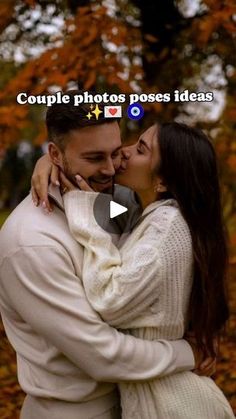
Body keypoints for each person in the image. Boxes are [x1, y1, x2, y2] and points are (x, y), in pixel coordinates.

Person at [0, 92, 212, 419]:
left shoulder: (114, 203)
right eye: (95, 157)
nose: (112, 169)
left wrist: (52, 163)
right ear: (56, 153)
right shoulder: (30, 242)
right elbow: (103, 356)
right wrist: (188, 352)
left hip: (137, 403)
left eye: (116, 153)